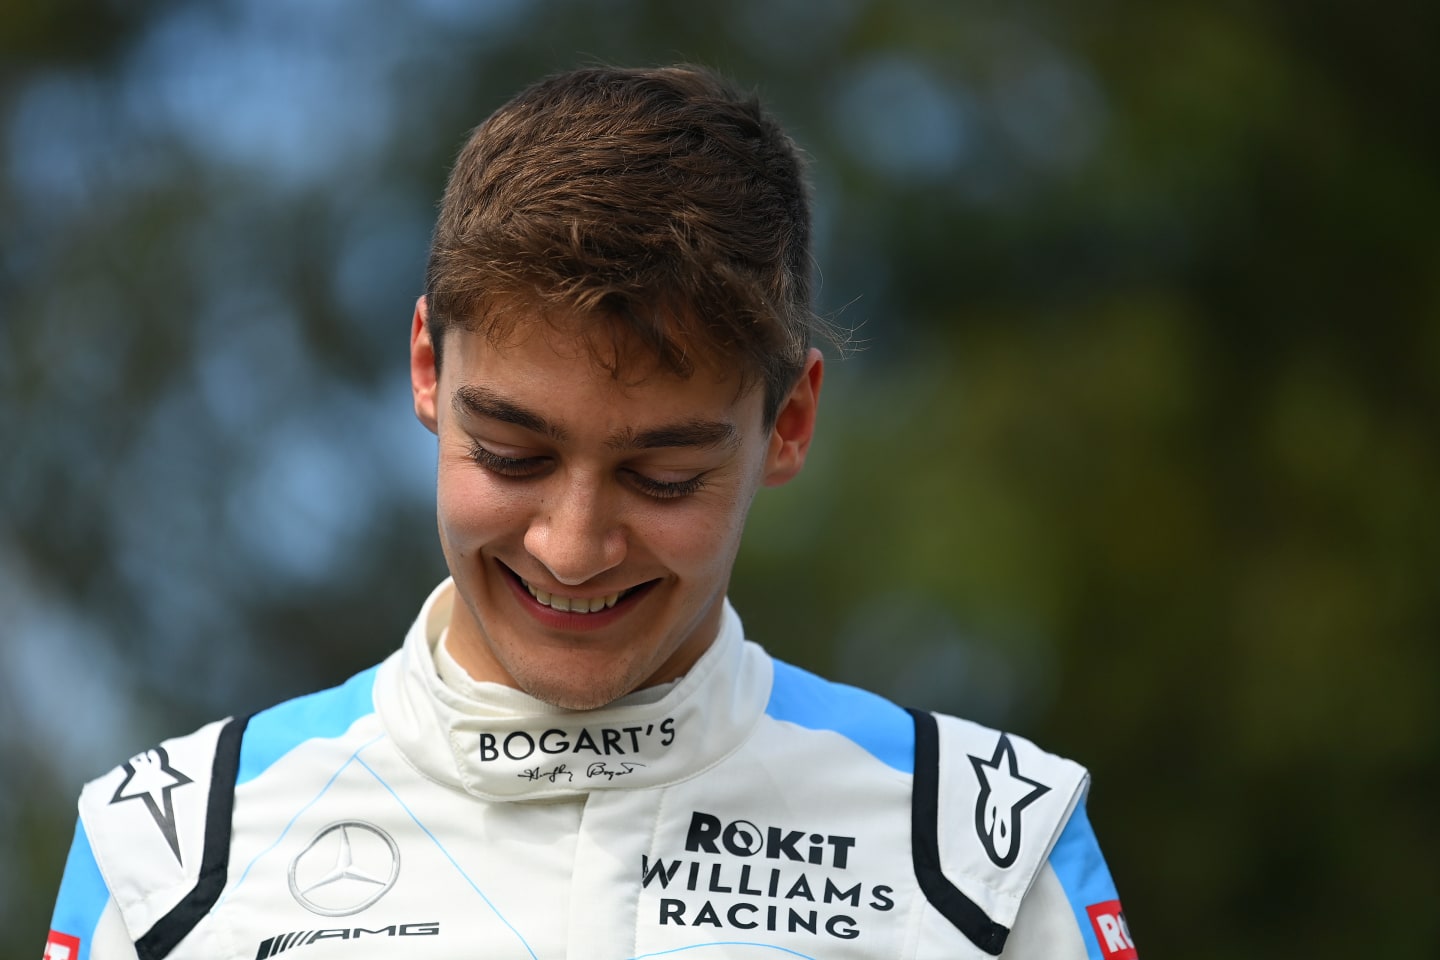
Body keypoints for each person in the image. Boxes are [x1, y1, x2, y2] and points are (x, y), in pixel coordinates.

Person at [44, 65, 1136, 960]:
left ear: (789, 423)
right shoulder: (177, 854)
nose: (572, 547)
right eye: (512, 454)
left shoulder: (978, 851)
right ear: (426, 367)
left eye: (663, 477)